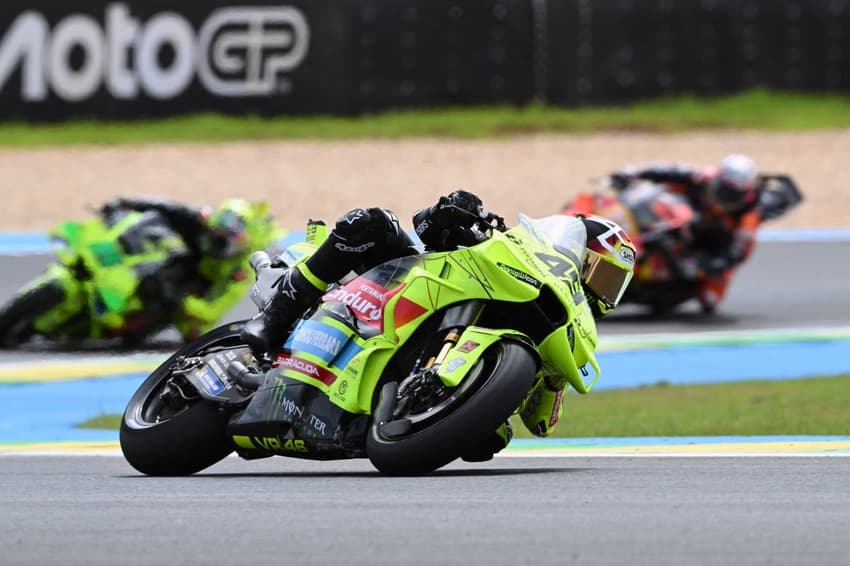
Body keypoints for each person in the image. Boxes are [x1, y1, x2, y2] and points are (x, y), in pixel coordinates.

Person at [240, 189, 636, 461]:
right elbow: (426, 227)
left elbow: (541, 423)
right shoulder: (510, 250)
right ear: (577, 256)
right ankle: (276, 319)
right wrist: (452, 212)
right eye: (600, 272)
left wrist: (549, 383)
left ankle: (409, 408)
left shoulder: (567, 331)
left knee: (492, 438)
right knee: (372, 222)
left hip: (430, 398)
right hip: (400, 286)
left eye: (612, 284)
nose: (602, 288)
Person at [101, 196, 281, 341]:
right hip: (181, 264)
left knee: (191, 331)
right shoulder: (203, 219)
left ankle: (121, 327)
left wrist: (180, 302)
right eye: (213, 235)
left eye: (221, 241)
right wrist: (127, 203)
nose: (214, 244)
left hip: (195, 300)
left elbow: (213, 310)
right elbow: (168, 207)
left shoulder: (241, 271)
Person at [609, 153, 764, 312]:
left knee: (709, 298)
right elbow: (668, 170)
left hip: (712, 248)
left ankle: (669, 288)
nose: (724, 196)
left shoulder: (748, 217)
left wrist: (707, 265)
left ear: (745, 195)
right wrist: (633, 175)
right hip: (687, 226)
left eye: (731, 194)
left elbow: (734, 254)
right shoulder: (706, 176)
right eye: (722, 189)